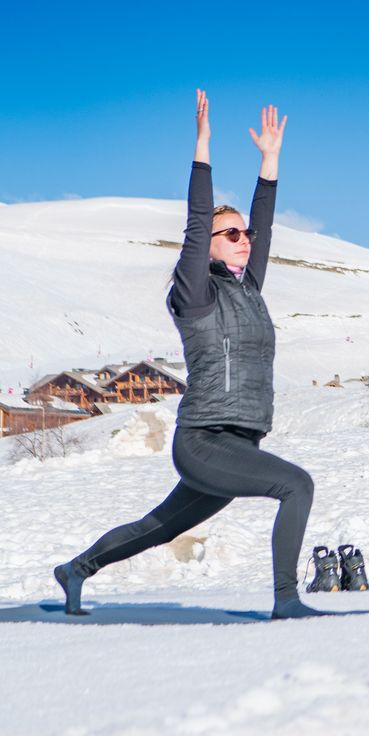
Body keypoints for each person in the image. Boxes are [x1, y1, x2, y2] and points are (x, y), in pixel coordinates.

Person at [54, 91, 323, 619]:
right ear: (210, 245)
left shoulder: (249, 289)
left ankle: (76, 569)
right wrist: (203, 147)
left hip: (241, 439)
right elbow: (198, 222)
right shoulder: (195, 294)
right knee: (296, 484)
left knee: (161, 526)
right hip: (204, 439)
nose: (244, 239)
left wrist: (269, 162)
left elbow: (263, 229)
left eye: (244, 232)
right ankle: (287, 601)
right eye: (232, 233)